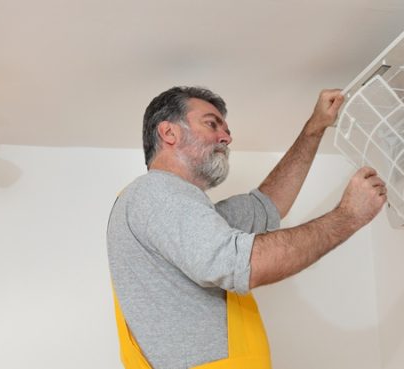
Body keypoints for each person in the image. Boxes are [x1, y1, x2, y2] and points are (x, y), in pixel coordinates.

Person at [107, 86, 386, 369]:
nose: (226, 137)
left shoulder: (182, 214)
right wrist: (348, 216)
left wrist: (314, 128)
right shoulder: (156, 192)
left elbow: (267, 205)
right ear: (169, 133)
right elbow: (240, 262)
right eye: (211, 124)